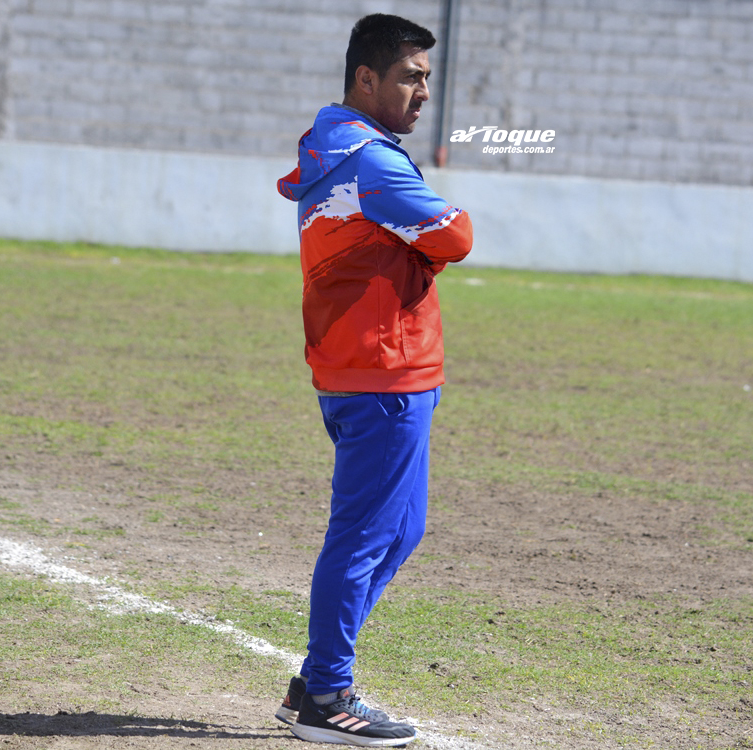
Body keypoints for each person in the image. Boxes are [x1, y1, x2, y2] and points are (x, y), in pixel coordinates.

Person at [274, 12, 474, 747]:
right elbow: (456, 233)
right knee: (363, 536)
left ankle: (314, 680)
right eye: (410, 77)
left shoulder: (343, 149)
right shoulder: (372, 161)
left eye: (427, 76)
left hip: (374, 366)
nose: (425, 91)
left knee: (400, 530)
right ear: (366, 78)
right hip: (383, 372)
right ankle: (326, 693)